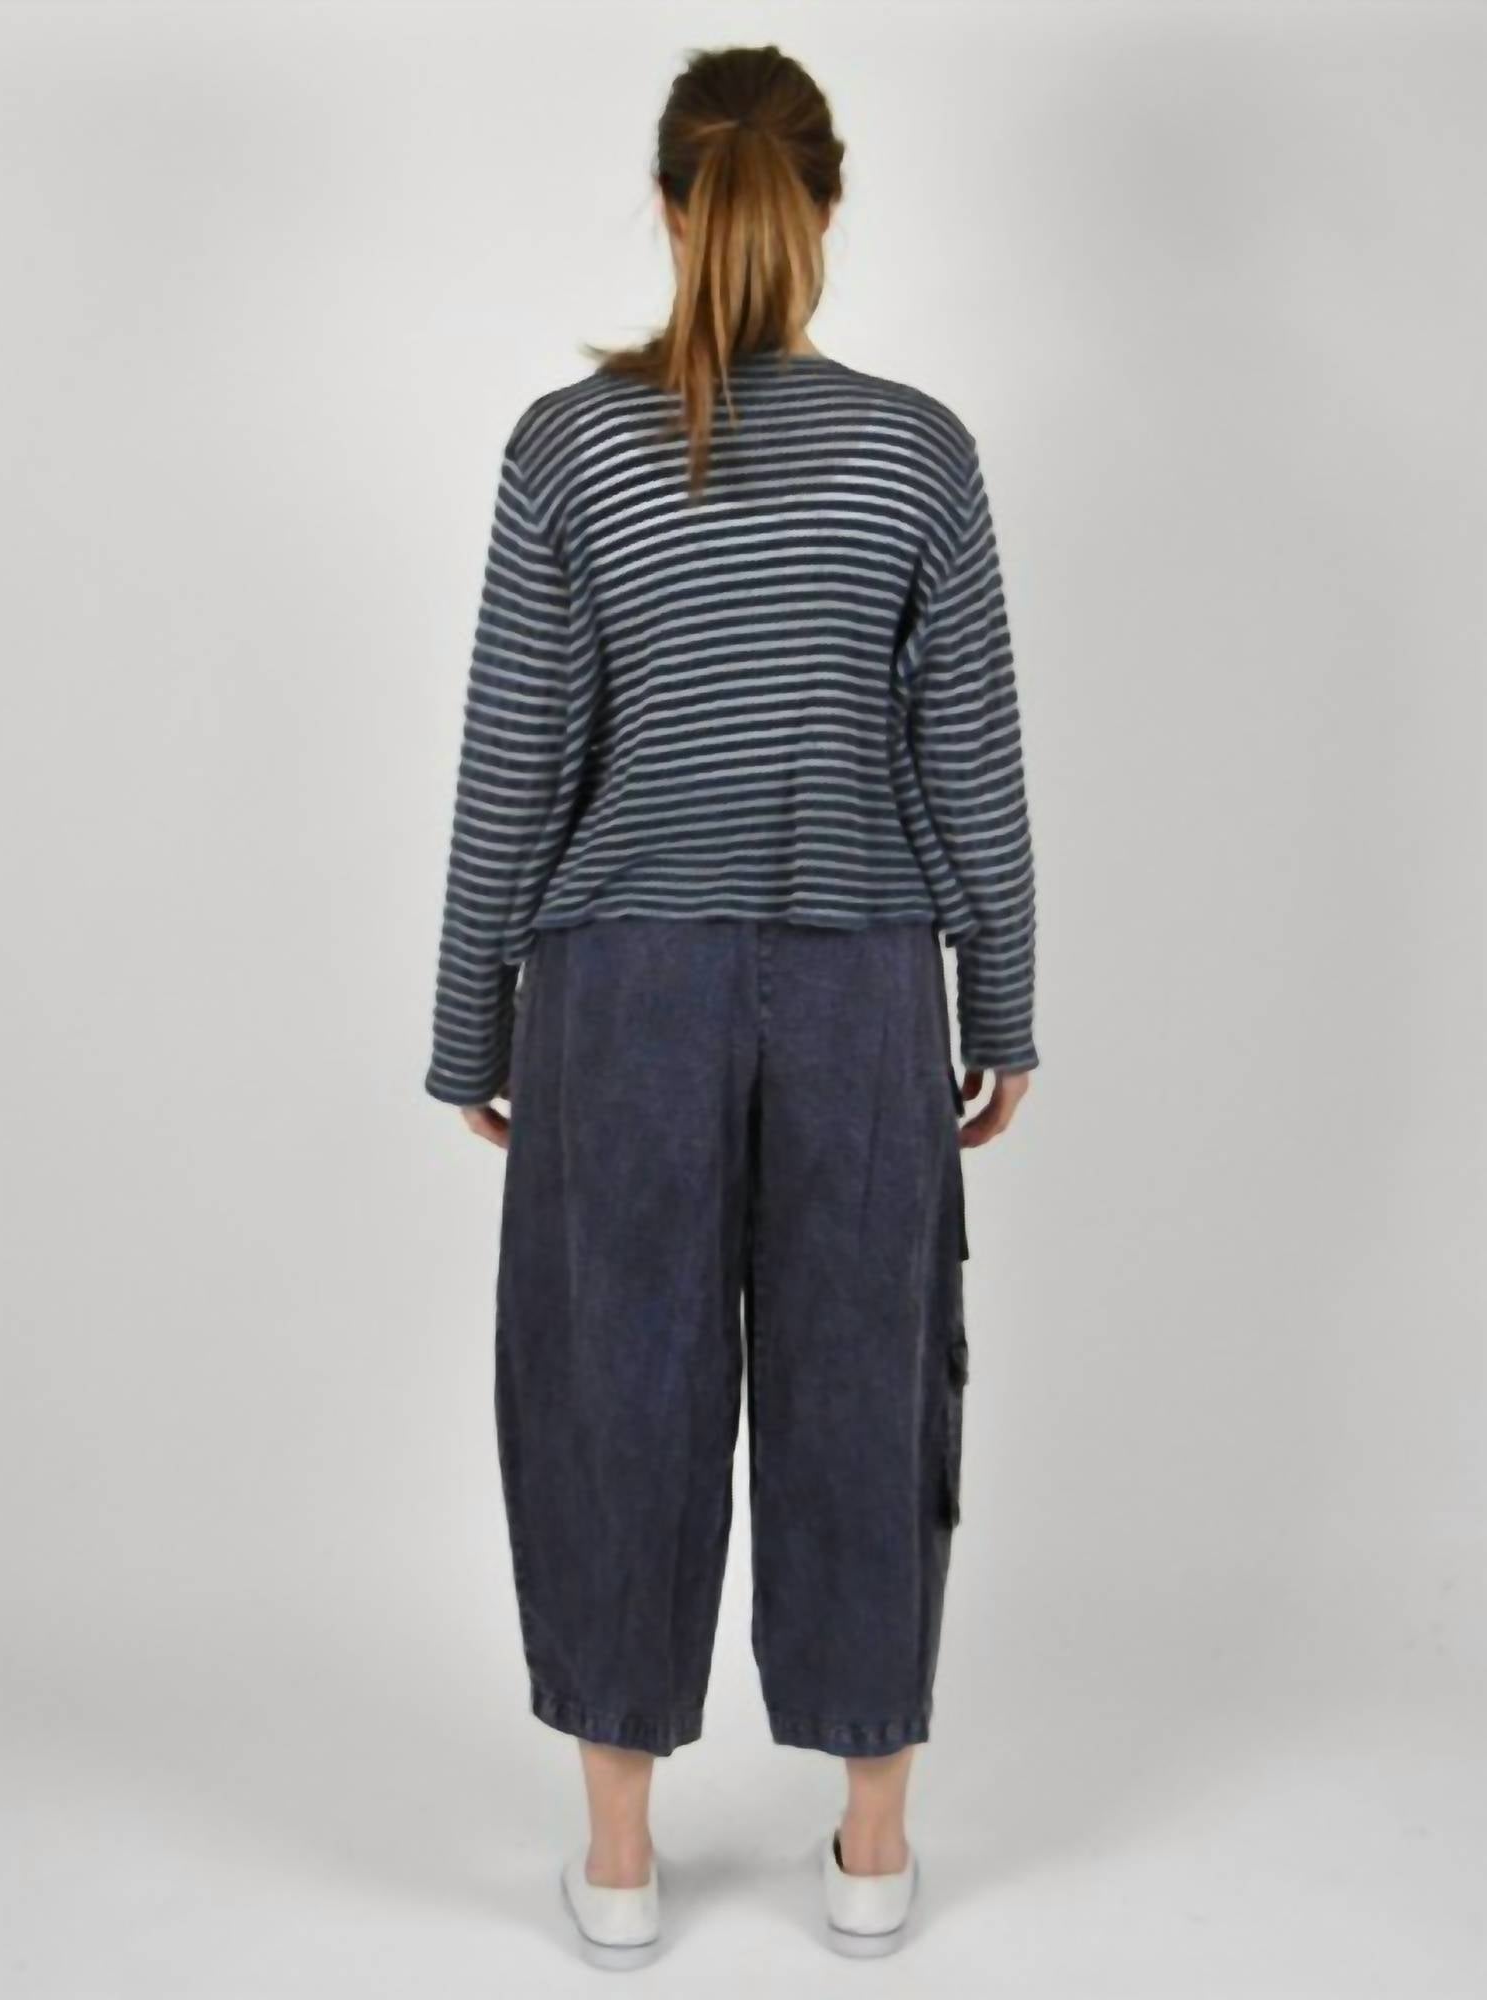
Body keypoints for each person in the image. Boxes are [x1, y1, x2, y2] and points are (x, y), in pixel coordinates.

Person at [423, 41, 1039, 1967]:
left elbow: (517, 762)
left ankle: (619, 1866)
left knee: (614, 1388)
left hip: (619, 996)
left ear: (671, 205)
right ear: (825, 208)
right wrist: (1003, 1008)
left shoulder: (568, 449)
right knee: (868, 1387)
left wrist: (470, 1027)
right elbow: (969, 761)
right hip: (863, 991)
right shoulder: (917, 451)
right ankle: (872, 1853)